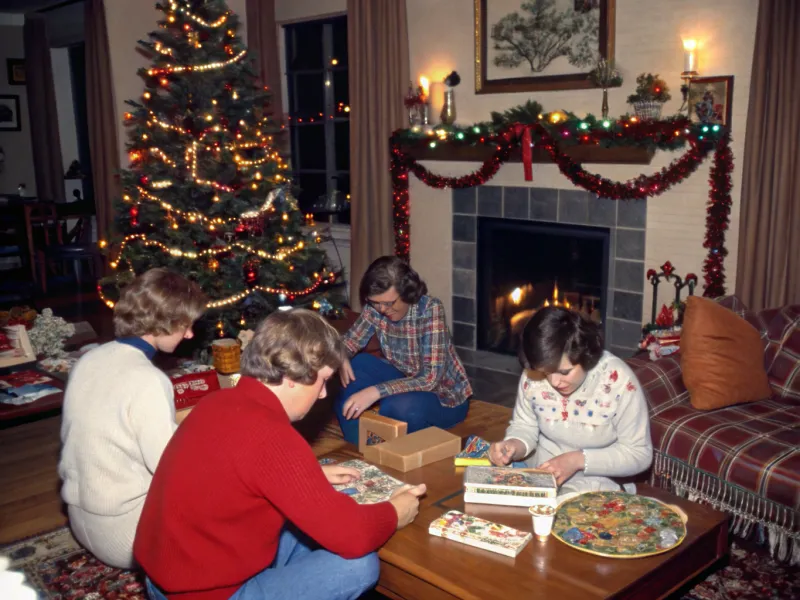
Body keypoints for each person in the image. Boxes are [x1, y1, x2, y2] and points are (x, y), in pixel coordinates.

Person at [134, 309, 426, 600]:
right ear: (291, 377)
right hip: (205, 594)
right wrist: (393, 513)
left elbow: (236, 471)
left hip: (166, 576)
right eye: (323, 380)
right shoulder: (272, 436)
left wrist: (308, 475)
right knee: (359, 564)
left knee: (304, 523)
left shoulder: (219, 401)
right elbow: (353, 536)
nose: (324, 394)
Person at [58, 268, 207, 569]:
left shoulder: (89, 358)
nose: (190, 334)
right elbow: (170, 468)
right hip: (128, 537)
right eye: (186, 325)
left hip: (80, 520)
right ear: (165, 322)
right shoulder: (148, 379)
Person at [488, 306, 653, 497]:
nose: (554, 382)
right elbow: (524, 426)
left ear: (586, 356)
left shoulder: (618, 381)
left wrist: (577, 460)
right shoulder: (534, 375)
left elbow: (639, 454)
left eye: (565, 372)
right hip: (543, 480)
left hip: (600, 484)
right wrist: (513, 446)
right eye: (546, 372)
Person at [335, 256, 471, 445]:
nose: (382, 309)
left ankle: (392, 449)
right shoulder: (376, 307)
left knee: (398, 405)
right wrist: (341, 355)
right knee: (353, 367)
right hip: (402, 377)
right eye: (375, 302)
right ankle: (362, 443)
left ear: (408, 292)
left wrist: (376, 391)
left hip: (443, 396)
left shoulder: (430, 309)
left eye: (389, 303)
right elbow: (350, 342)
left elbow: (430, 379)